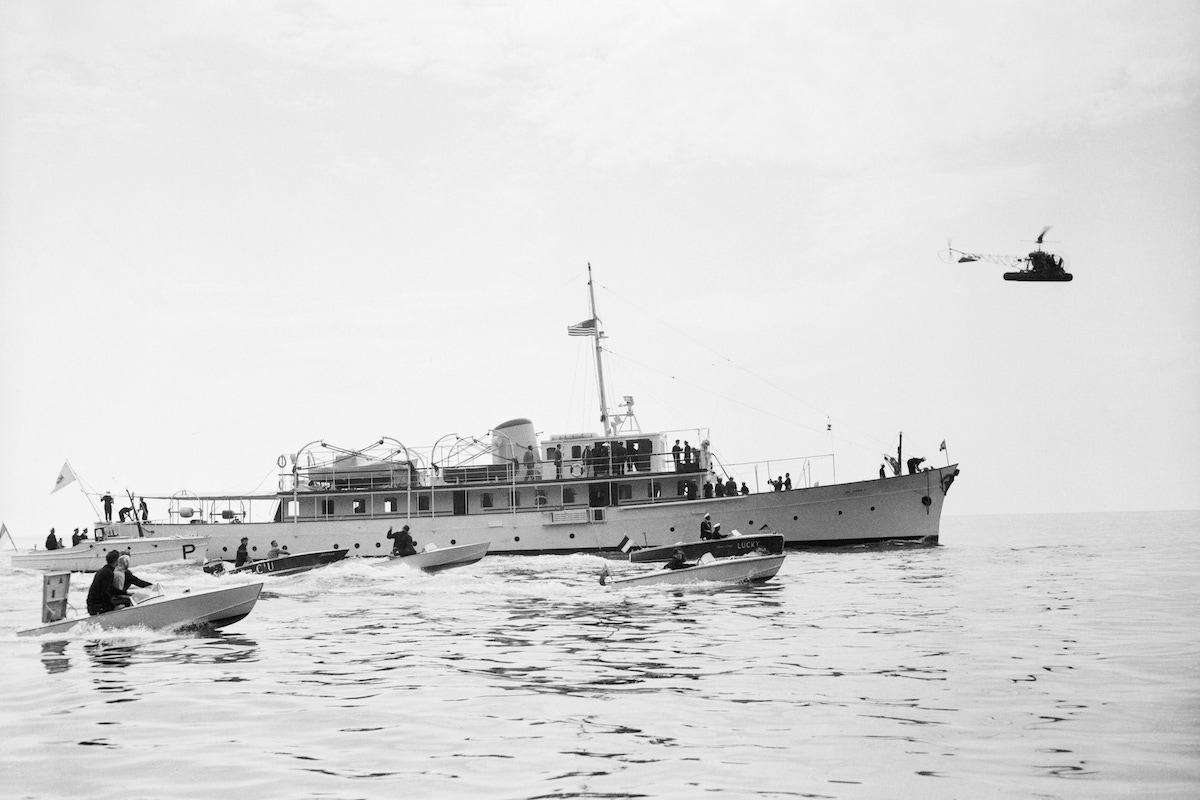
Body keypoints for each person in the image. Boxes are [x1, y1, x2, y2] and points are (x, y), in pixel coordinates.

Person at [86, 550, 123, 615]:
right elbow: (105, 592)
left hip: (92, 605)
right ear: (116, 561)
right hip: (97, 606)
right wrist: (112, 605)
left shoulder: (103, 570)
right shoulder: (108, 573)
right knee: (127, 602)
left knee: (123, 600)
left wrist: (125, 593)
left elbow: (110, 588)